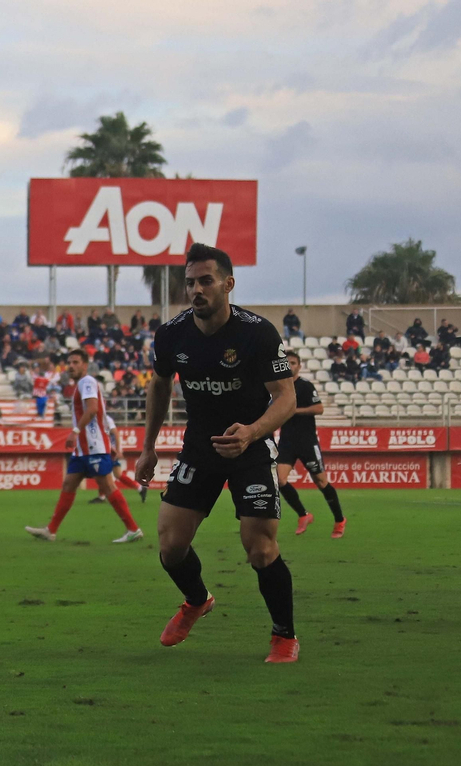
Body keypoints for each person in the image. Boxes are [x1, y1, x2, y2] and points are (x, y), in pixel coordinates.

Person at [135, 243, 299, 664]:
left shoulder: (257, 332)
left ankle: (283, 636)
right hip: (200, 448)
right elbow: (159, 384)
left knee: (259, 546)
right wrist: (148, 448)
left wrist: (252, 432)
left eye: (206, 281)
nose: (196, 290)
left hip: (252, 447)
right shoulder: (171, 334)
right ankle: (196, 600)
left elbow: (286, 399)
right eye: (189, 282)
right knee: (170, 545)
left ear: (228, 283)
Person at [24, 351, 142, 544]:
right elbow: (101, 415)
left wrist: (76, 431)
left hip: (93, 446)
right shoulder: (81, 384)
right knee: (69, 483)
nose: (71, 366)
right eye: (69, 362)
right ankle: (50, 530)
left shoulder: (86, 382)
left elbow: (93, 409)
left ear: (85, 365)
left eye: (76, 362)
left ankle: (133, 529)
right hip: (83, 449)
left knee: (108, 486)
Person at [276, 352, 345, 539]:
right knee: (279, 480)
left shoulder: (305, 386)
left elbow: (319, 408)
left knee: (321, 482)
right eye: (287, 362)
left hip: (307, 441)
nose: (290, 365)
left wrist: (294, 411)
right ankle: (304, 515)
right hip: (287, 442)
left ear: (299, 366)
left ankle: (339, 520)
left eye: (293, 363)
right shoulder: (279, 387)